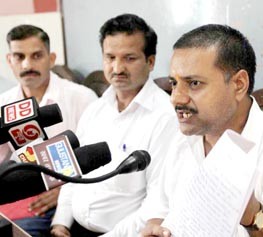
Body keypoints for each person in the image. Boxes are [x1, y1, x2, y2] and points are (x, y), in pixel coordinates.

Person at [140, 24, 263, 236]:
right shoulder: (182, 137)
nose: (176, 98)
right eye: (174, 83)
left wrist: (254, 216)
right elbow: (159, 207)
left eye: (194, 83)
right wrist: (155, 226)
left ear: (239, 84)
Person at [50, 13, 178, 237]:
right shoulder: (95, 109)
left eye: (129, 58)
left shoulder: (165, 117)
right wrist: (61, 222)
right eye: (110, 57)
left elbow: (157, 204)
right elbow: (73, 173)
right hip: (73, 230)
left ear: (150, 61)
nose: (117, 68)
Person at [0, 24, 98, 237]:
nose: (27, 64)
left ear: (51, 58)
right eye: (19, 56)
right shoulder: (4, 103)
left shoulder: (82, 98)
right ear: (9, 60)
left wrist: (64, 191)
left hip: (70, 193)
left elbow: (98, 159)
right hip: (22, 194)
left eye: (36, 56)